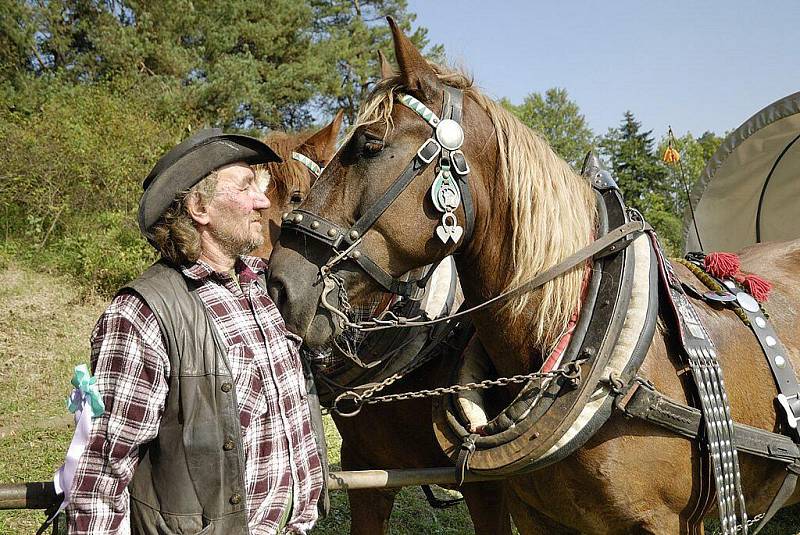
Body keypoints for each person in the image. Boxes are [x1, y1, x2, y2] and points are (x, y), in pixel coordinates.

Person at [65, 129, 325, 535]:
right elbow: (100, 474)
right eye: (246, 187)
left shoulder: (259, 290)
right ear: (199, 207)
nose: (263, 201)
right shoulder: (144, 313)